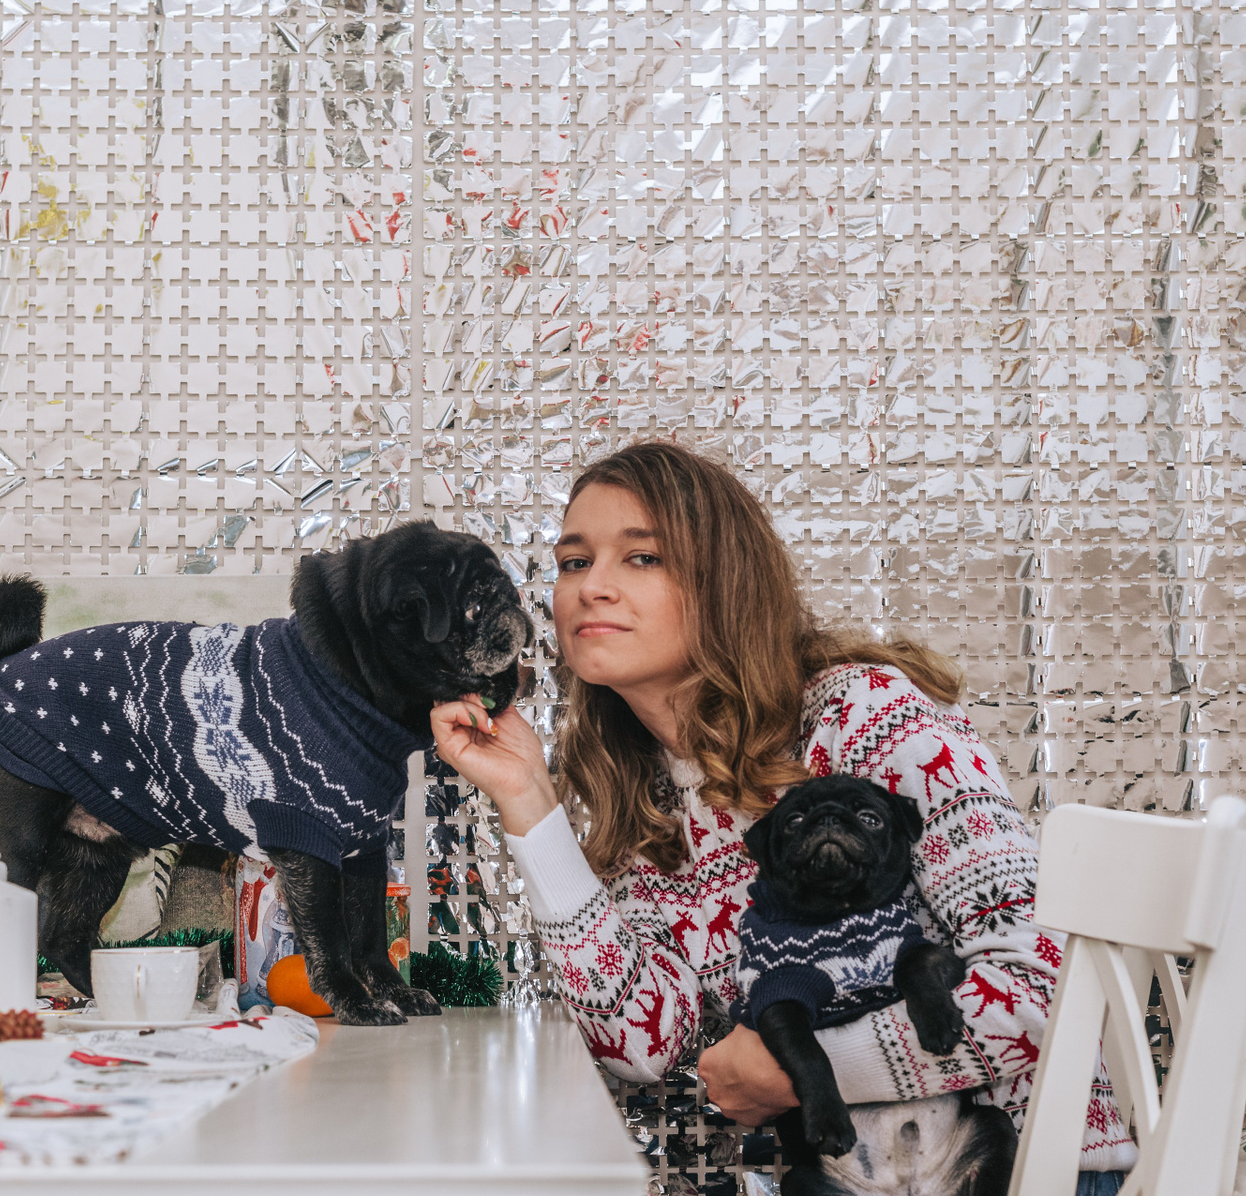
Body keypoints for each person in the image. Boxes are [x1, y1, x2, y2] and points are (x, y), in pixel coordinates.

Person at [430, 441, 1136, 1193]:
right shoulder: (650, 798)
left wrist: (806, 1071)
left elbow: (1042, 989)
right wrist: (530, 802)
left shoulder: (866, 715)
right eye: (574, 562)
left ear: (725, 582)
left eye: (642, 558)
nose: (592, 588)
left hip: (1022, 1168)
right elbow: (644, 1043)